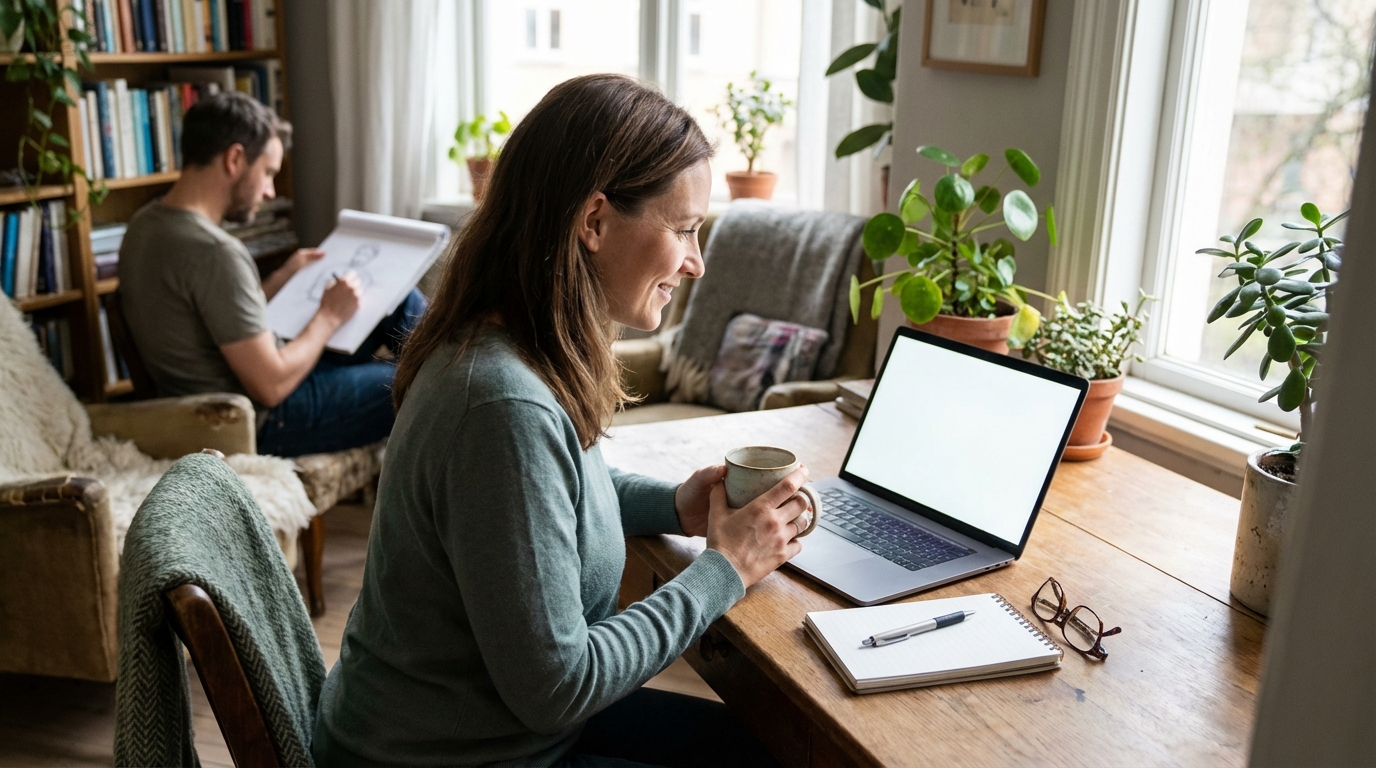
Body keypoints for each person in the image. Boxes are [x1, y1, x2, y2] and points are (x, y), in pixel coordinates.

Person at [312, 74, 811, 767]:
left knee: (781, 748)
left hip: (483, 732)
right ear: (596, 221)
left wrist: (673, 503)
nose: (695, 263)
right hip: (451, 755)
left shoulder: (500, 346)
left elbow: (556, 490)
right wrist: (726, 567)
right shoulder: (499, 404)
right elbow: (558, 685)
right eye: (685, 230)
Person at [118, 91, 425, 457]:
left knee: (397, 298)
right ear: (234, 158)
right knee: (419, 382)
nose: (270, 191)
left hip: (229, 389)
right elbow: (272, 385)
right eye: (267, 173)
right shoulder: (213, 251)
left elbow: (209, 319)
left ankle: (459, 366)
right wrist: (328, 317)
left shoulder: (146, 225)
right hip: (256, 420)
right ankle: (463, 377)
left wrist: (280, 279)